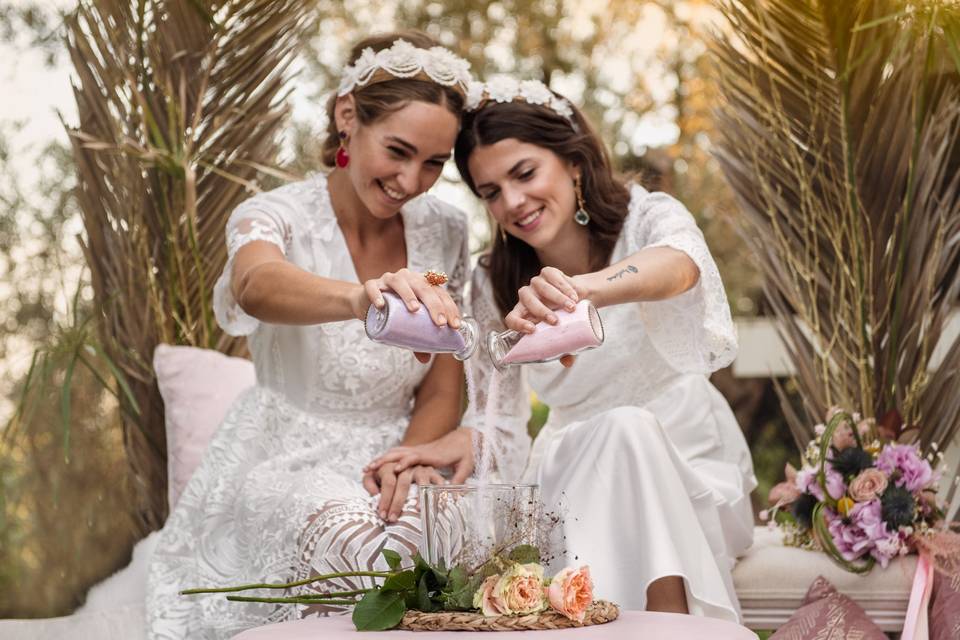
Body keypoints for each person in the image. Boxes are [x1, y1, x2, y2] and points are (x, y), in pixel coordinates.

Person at [366, 77, 757, 623]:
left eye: (524, 173)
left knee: (627, 428)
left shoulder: (647, 216)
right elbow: (499, 419)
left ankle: (672, 630)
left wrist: (584, 289)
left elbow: (681, 265)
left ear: (573, 162)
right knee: (610, 436)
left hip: (688, 461)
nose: (513, 202)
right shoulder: (491, 281)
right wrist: (450, 443)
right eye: (491, 192)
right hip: (571, 470)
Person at [146, 32, 475, 640]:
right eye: (398, 151)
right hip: (284, 457)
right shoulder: (272, 214)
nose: (412, 179)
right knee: (355, 542)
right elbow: (256, 283)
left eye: (434, 162)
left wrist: (407, 462)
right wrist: (357, 296)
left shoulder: (448, 231)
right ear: (347, 117)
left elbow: (442, 379)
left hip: (402, 449)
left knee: (453, 539)